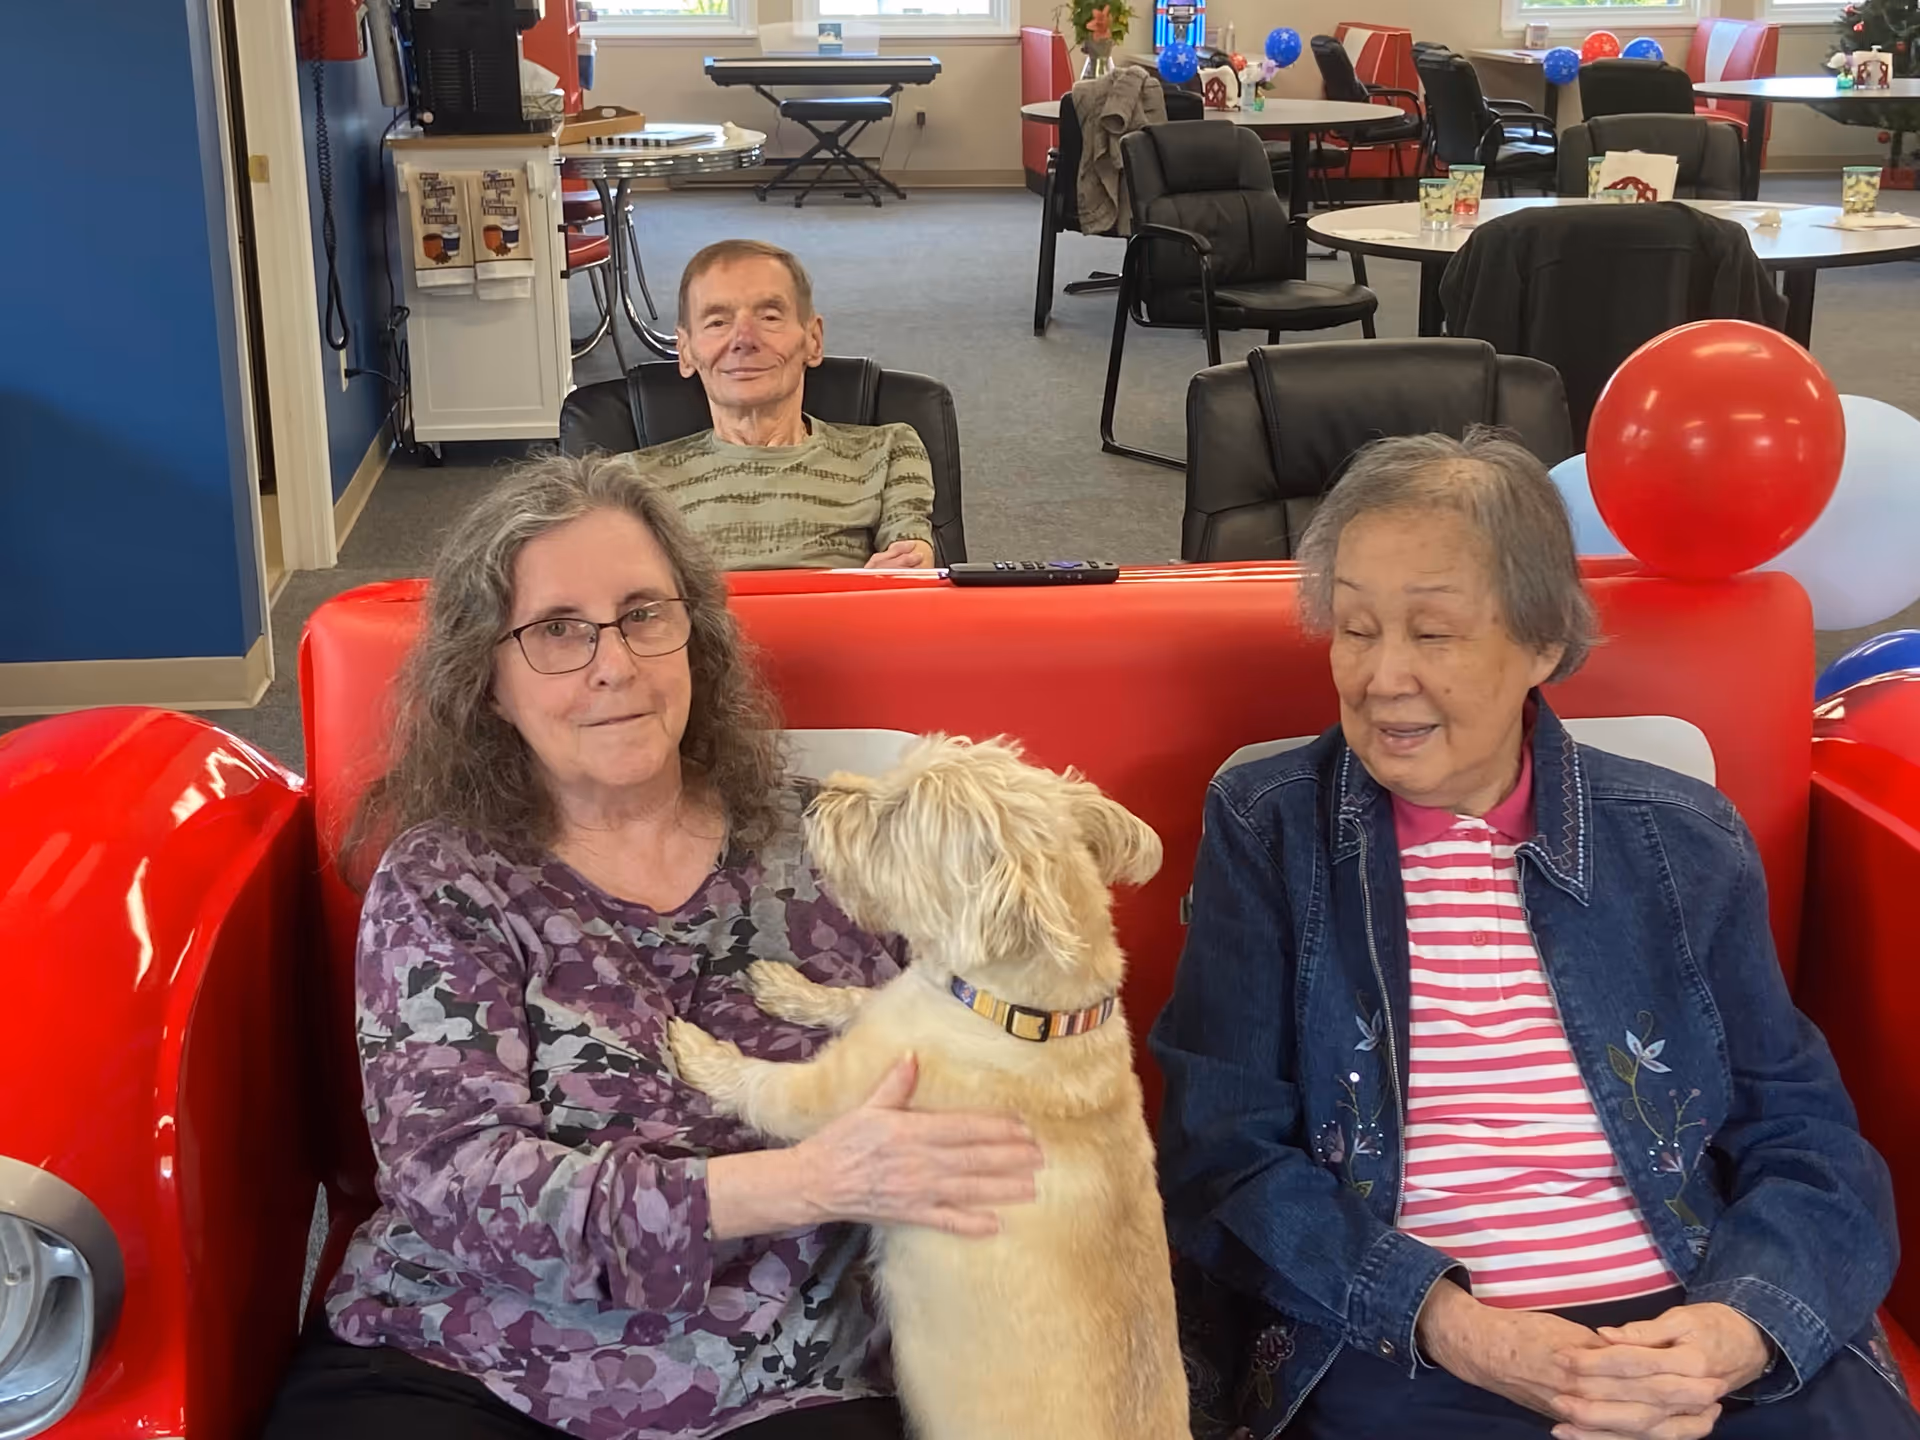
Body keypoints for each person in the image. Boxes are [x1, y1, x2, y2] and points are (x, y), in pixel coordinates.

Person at [1152, 432, 1916, 1440]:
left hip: (1690, 1321)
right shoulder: (1270, 827)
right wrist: (1459, 1328)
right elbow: (1221, 1153)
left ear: (1544, 643)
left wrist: (1735, 1330)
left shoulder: (1681, 836)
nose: (1380, 678)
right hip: (1409, 1337)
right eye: (1355, 629)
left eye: (1433, 635)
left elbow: (1805, 1135)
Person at [263, 453, 1042, 1440]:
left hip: (778, 1369)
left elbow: (988, 1060)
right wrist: (798, 1183)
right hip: (463, 1347)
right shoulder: (445, 878)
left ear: (693, 640)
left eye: (643, 614)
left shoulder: (840, 843)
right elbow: (456, 1177)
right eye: (556, 631)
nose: (614, 662)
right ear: (488, 680)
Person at [628, 239, 936, 571]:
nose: (744, 339)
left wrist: (901, 574)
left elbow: (912, 570)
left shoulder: (887, 452)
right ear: (686, 351)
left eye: (769, 317)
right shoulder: (630, 479)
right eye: (717, 322)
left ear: (813, 340)